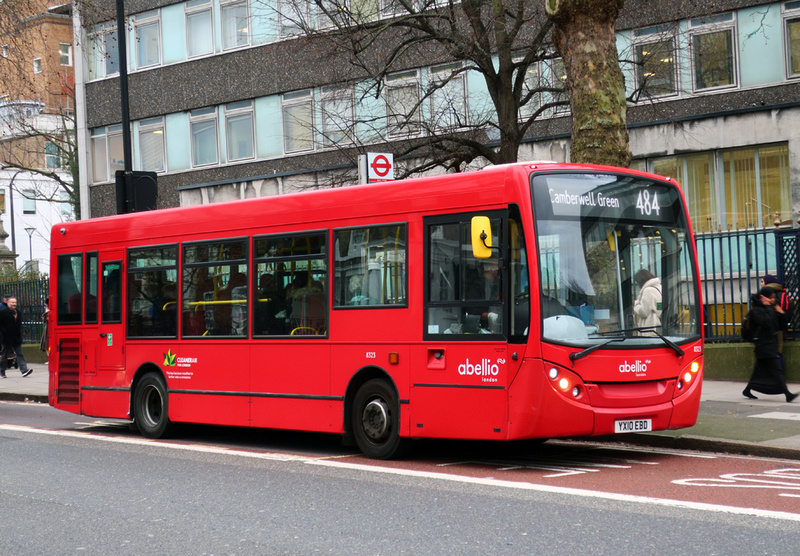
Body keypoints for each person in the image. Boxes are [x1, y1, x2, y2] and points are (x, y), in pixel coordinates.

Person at [743, 287, 798, 402]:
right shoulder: (756, 310)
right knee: (776, 370)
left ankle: (748, 389)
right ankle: (788, 394)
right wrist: (769, 307)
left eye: (774, 297)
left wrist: (781, 313)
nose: (773, 300)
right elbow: (765, 322)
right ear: (764, 298)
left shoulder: (771, 309)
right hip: (763, 345)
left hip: (770, 344)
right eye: (771, 297)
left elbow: (782, 327)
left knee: (759, 370)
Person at [0, 296, 32, 379]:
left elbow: (19, 326)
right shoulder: (3, 313)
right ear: (8, 303)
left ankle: (24, 370)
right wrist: (4, 333)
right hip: (7, 338)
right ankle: (2, 371)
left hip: (16, 338)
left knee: (19, 354)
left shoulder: (18, 312)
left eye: (15, 302)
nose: (14, 304)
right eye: (12, 302)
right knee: (4, 355)